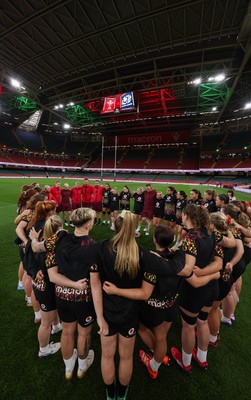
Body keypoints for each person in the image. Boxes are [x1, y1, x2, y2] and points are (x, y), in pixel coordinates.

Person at [90, 211, 194, 400]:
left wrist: (99, 318)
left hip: (107, 312)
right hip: (129, 314)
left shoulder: (100, 248)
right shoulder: (144, 255)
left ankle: (111, 394)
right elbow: (175, 268)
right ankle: (121, 394)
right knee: (126, 357)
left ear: (115, 225)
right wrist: (179, 253)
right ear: (133, 230)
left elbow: (95, 285)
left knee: (107, 356)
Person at [103, 224, 220, 381]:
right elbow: (192, 278)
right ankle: (157, 361)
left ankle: (155, 360)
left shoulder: (150, 264)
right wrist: (214, 275)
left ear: (154, 239)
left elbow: (144, 293)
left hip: (151, 309)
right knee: (162, 338)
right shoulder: (180, 258)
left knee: (142, 329)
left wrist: (116, 290)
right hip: (171, 307)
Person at [47, 208, 107, 380]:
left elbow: (53, 275)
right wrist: (100, 315)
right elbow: (95, 284)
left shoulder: (60, 239)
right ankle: (81, 366)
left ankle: (68, 368)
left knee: (66, 332)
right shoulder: (94, 247)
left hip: (62, 296)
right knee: (83, 333)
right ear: (88, 225)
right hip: (83, 299)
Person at [171, 204, 222, 372]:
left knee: (189, 325)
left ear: (187, 216)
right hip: (211, 288)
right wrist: (212, 275)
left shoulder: (191, 237)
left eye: (183, 214)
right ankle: (202, 358)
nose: (181, 217)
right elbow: (217, 262)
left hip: (194, 292)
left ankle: (185, 362)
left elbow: (188, 269)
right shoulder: (210, 233)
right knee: (203, 321)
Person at [24, 201, 61, 358]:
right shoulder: (51, 246)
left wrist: (33, 272)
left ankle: (57, 326)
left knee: (51, 312)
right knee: (45, 321)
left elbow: (26, 259)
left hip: (39, 283)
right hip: (46, 285)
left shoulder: (35, 241)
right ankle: (44, 349)